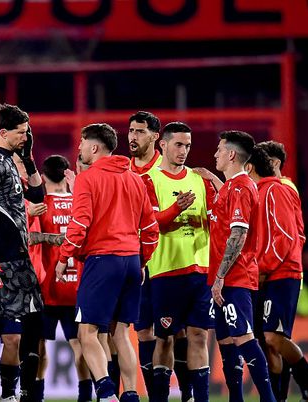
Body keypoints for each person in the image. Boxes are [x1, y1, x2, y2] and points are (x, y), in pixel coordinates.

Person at [57, 123, 159, 402]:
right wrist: (141, 262)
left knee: (86, 332)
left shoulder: (88, 179)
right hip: (130, 261)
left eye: (81, 143)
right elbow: (151, 230)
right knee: (121, 333)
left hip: (102, 260)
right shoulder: (135, 179)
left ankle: (105, 392)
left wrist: (64, 255)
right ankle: (131, 394)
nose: (78, 148)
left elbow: (79, 223)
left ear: (94, 147)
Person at [0, 104, 45, 402]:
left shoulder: (12, 161)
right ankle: (7, 393)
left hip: (15, 254)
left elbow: (38, 195)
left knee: (3, 323)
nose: (26, 137)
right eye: (21, 132)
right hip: (3, 255)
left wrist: (28, 159)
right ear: (3, 132)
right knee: (16, 323)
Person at [246, 145, 308, 402]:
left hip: (281, 271)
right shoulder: (258, 191)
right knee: (267, 343)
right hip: (266, 272)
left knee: (274, 338)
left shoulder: (280, 188)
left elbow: (288, 235)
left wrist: (265, 267)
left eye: (270, 160)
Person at [142, 122, 216, 402]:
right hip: (166, 271)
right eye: (178, 145)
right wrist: (177, 209)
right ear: (163, 144)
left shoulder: (199, 180)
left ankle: (201, 398)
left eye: (187, 145)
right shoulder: (149, 180)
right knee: (165, 338)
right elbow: (149, 223)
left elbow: (215, 218)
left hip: (200, 270)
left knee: (198, 335)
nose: (184, 151)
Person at [208, 130, 276, 402]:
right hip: (222, 279)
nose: (216, 154)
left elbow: (238, 234)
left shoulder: (241, 187)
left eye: (220, 149)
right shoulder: (230, 187)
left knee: (243, 338)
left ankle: (269, 398)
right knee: (226, 341)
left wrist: (221, 276)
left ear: (232, 154)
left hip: (234, 279)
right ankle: (235, 397)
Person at [126, 111, 181, 399]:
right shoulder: (123, 170)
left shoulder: (169, 169)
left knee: (171, 334)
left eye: (140, 131)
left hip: (167, 264)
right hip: (131, 262)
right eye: (131, 130)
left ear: (155, 137)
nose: (133, 136)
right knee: (141, 333)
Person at [30, 155, 92, 402]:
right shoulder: (80, 202)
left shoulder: (39, 206)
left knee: (40, 346)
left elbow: (30, 239)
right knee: (80, 345)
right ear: (67, 175)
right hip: (76, 286)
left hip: (46, 288)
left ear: (43, 177)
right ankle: (85, 396)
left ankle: (37, 395)